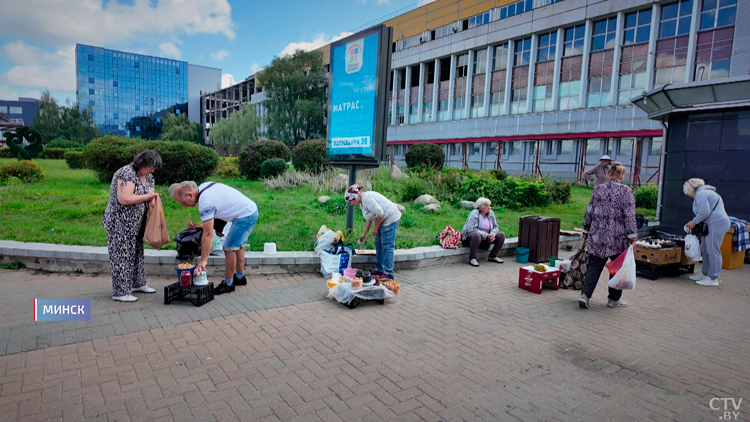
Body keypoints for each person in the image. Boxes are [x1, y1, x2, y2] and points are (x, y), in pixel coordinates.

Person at [171, 181, 259, 295]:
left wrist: (203, 261)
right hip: (250, 209)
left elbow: (207, 235)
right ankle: (240, 277)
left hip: (244, 216)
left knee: (229, 248)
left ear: (190, 195)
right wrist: (219, 226)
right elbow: (221, 203)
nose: (184, 205)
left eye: (183, 202)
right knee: (238, 246)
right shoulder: (204, 186)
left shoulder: (205, 204)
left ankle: (228, 284)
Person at [102, 150, 162, 302]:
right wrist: (147, 197)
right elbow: (124, 198)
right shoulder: (126, 173)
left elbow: (150, 194)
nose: (153, 170)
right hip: (120, 223)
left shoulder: (148, 177)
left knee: (137, 254)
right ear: (143, 164)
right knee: (121, 256)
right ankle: (120, 291)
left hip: (137, 223)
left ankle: (137, 283)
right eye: (151, 167)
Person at [579, 161, 636, 309]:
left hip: (597, 236)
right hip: (618, 239)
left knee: (594, 267)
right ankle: (613, 300)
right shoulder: (626, 191)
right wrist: (632, 235)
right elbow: (629, 215)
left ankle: (585, 295)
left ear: (608, 173)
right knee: (615, 268)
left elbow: (589, 211)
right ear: (622, 175)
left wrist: (585, 230)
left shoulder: (598, 189)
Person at [346, 184, 401, 279]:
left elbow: (380, 213)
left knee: (387, 247)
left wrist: (376, 228)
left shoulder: (367, 198)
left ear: (356, 197)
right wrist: (365, 234)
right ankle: (379, 269)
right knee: (379, 245)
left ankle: (388, 273)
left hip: (390, 219)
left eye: (351, 201)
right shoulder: (362, 203)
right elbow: (369, 219)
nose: (351, 204)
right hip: (382, 220)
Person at [683, 178, 730, 286]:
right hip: (714, 224)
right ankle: (705, 273)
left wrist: (693, 222)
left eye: (687, 191)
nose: (688, 194)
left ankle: (713, 278)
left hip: (716, 224)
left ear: (690, 188)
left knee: (713, 250)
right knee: (705, 249)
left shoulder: (701, 194)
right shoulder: (706, 193)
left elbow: (704, 211)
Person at [460, 197, 506, 267]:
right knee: (476, 235)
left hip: (486, 238)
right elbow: (472, 229)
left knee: (501, 235)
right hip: (471, 237)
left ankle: (492, 256)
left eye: (490, 206)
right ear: (481, 207)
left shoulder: (491, 213)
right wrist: (486, 235)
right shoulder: (474, 213)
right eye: (487, 206)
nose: (489, 208)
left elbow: (496, 227)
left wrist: (492, 234)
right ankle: (472, 258)